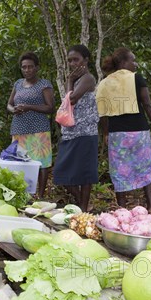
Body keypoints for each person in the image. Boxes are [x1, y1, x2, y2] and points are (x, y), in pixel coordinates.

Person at [96, 47, 151, 209]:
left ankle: (122, 209)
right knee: (145, 167)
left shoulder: (104, 83)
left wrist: (105, 133)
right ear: (123, 62)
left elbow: (102, 114)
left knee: (119, 170)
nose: (136, 64)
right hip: (139, 132)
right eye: (133, 60)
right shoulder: (136, 78)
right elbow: (147, 104)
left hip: (117, 134)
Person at [53, 45, 99, 211]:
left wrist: (70, 81)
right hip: (71, 132)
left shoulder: (88, 78)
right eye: (70, 60)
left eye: (76, 59)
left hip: (86, 132)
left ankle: (84, 208)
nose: (72, 63)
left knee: (85, 174)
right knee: (61, 174)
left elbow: (71, 99)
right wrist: (70, 81)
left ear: (85, 60)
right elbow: (68, 99)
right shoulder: (76, 80)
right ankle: (82, 205)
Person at [7, 52, 54, 198]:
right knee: (20, 163)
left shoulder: (44, 84)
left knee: (42, 163)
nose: (27, 70)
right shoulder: (18, 84)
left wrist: (29, 107)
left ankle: (40, 195)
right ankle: (23, 194)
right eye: (24, 67)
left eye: (30, 67)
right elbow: (9, 104)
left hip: (39, 129)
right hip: (19, 129)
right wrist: (13, 110)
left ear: (37, 68)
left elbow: (50, 107)